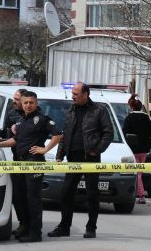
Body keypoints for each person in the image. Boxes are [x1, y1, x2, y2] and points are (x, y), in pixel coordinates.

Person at [47, 82, 113, 239]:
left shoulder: (99, 110)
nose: (73, 96)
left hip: (90, 157)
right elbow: (64, 135)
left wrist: (96, 150)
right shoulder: (70, 110)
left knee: (92, 194)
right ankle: (64, 226)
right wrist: (59, 155)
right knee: (66, 191)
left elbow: (108, 133)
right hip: (73, 157)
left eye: (76, 94)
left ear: (86, 95)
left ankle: (91, 227)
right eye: (72, 94)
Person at [0, 89, 57, 242]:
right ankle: (26, 227)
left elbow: (58, 134)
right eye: (25, 102)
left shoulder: (41, 119)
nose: (28, 105)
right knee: (21, 197)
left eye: (31, 103)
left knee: (33, 199)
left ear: (36, 103)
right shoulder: (21, 120)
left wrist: (45, 149)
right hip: (20, 162)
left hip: (34, 162)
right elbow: (16, 140)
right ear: (22, 103)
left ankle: (35, 233)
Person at [122, 96, 151, 204]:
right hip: (144, 151)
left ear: (131, 107)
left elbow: (124, 134)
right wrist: (148, 147)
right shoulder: (146, 119)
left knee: (137, 174)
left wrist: (127, 146)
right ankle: (139, 193)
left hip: (133, 151)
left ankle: (141, 195)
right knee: (139, 173)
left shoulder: (129, 118)